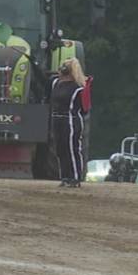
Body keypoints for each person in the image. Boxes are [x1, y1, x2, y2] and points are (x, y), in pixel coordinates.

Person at [50, 58, 87, 187]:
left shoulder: (78, 87)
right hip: (57, 118)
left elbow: (84, 108)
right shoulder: (56, 83)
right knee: (60, 148)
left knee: (71, 148)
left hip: (70, 119)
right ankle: (65, 177)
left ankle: (76, 178)